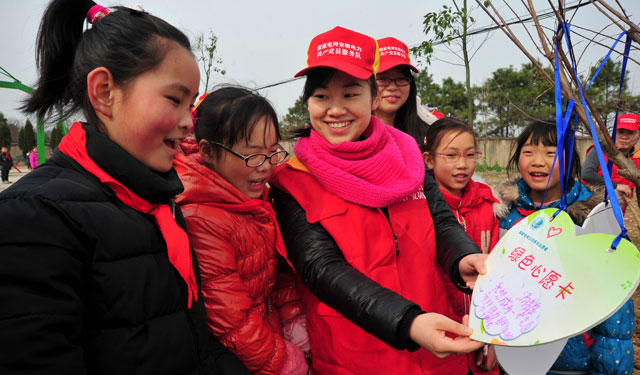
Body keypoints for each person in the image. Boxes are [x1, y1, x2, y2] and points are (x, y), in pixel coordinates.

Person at [0, 1, 248, 374]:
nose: (188, 123)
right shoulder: (34, 218)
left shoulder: (159, 203)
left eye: (192, 104)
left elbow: (195, 344)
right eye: (175, 100)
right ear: (104, 92)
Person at [270, 26, 486, 375]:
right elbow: (321, 269)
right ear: (307, 102)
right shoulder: (292, 180)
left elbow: (441, 222)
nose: (335, 110)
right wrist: (408, 323)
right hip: (356, 357)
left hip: (439, 347)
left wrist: (461, 256)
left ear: (372, 99)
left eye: (350, 94)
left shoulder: (409, 159)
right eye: (322, 96)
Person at [174, 87, 309, 375]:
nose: (265, 168)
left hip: (268, 333)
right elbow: (231, 320)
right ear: (209, 152)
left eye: (272, 152)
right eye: (253, 156)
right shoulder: (201, 218)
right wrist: (285, 362)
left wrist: (293, 316)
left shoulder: (252, 199)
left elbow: (275, 271)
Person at [496, 120, 634, 375]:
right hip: (512, 358)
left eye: (551, 153)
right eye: (528, 152)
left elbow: (614, 307)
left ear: (571, 160)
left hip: (572, 365)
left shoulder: (594, 220)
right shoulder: (504, 215)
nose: (538, 161)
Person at [422, 117, 501, 375]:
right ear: (428, 160)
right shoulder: (420, 210)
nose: (462, 164)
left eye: (470, 155)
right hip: (439, 334)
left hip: (483, 332)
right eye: (451, 155)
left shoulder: (487, 205)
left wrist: (492, 343)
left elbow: (499, 280)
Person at [582, 113, 640, 206]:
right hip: (588, 203)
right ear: (614, 132)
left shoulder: (638, 157)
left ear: (638, 134)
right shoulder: (599, 150)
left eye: (630, 133)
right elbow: (587, 174)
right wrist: (616, 186)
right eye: (621, 132)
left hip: (618, 209)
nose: (624, 137)